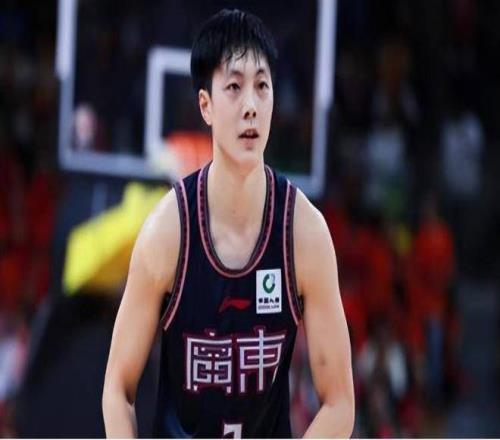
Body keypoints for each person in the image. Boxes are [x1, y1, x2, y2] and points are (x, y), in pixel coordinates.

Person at [102, 9, 354, 438]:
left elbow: (339, 402)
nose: (251, 106)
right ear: (206, 105)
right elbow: (117, 389)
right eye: (234, 88)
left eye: (262, 86)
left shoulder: (304, 234)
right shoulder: (168, 232)